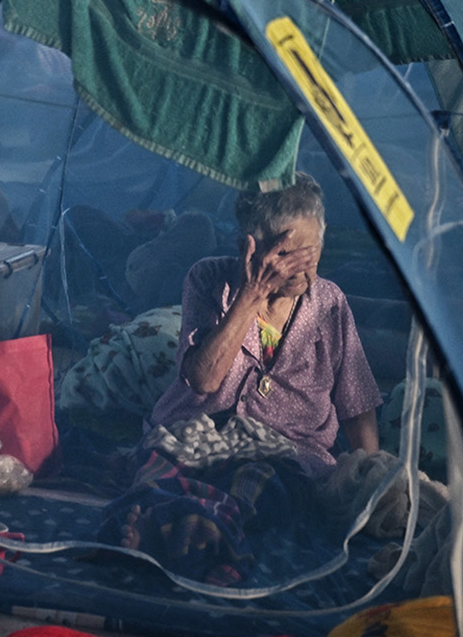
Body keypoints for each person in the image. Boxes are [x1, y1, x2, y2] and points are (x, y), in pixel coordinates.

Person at [149, 171, 381, 473]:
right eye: (283, 254)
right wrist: (252, 294)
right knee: (168, 483)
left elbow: (357, 404)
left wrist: (371, 478)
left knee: (266, 488)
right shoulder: (208, 278)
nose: (297, 269)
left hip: (292, 457)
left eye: (308, 254)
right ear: (248, 247)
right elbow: (203, 380)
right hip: (197, 438)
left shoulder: (329, 303)